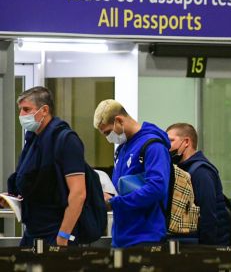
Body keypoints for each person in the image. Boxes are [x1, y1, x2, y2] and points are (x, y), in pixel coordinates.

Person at [4, 86, 86, 247]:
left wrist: (63, 236)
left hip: (55, 232)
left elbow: (78, 193)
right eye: (20, 110)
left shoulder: (66, 140)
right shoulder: (33, 141)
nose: (22, 115)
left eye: (27, 109)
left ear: (44, 110)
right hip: (33, 232)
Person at [93, 99, 171, 248]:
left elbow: (157, 189)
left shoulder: (153, 146)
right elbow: (123, 191)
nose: (108, 138)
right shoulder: (121, 150)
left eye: (108, 132)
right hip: (121, 238)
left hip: (146, 238)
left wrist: (114, 203)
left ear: (119, 120)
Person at [166, 123, 229, 245]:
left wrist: (205, 251)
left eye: (171, 141)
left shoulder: (201, 172)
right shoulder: (181, 170)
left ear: (186, 142)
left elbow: (208, 215)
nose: (168, 147)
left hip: (205, 247)